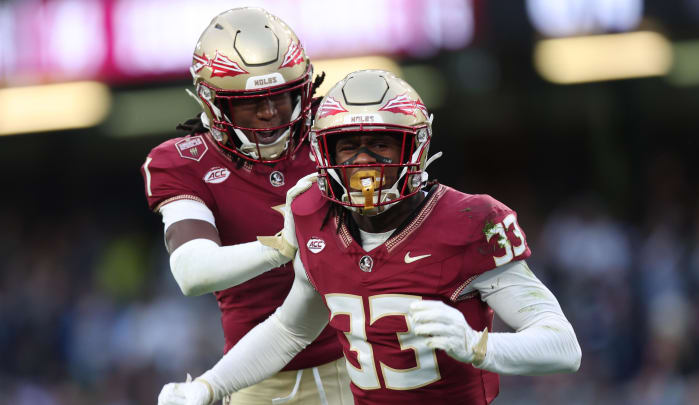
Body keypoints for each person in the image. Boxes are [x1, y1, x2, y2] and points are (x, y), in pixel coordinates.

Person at [157, 70, 581, 405]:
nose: (364, 162)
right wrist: (210, 387)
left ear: (413, 148)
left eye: (381, 144)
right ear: (323, 153)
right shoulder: (313, 217)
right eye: (347, 147)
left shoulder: (471, 220)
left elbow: (564, 347)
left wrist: (478, 345)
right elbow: (290, 330)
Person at [141, 8, 351, 405]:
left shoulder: (336, 133)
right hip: (259, 375)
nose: (270, 112)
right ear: (213, 103)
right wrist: (282, 246)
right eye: (251, 101)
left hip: (365, 358)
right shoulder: (184, 161)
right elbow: (192, 271)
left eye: (280, 95)